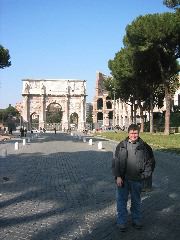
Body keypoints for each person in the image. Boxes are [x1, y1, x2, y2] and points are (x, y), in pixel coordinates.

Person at [112, 124, 155, 232]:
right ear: (128, 133)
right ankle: (122, 222)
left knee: (136, 202)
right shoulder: (121, 145)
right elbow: (115, 162)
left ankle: (136, 220)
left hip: (137, 180)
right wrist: (117, 176)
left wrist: (144, 175)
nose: (133, 135)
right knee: (121, 201)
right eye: (131, 133)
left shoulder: (145, 147)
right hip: (123, 180)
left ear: (138, 133)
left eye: (135, 133)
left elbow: (151, 163)